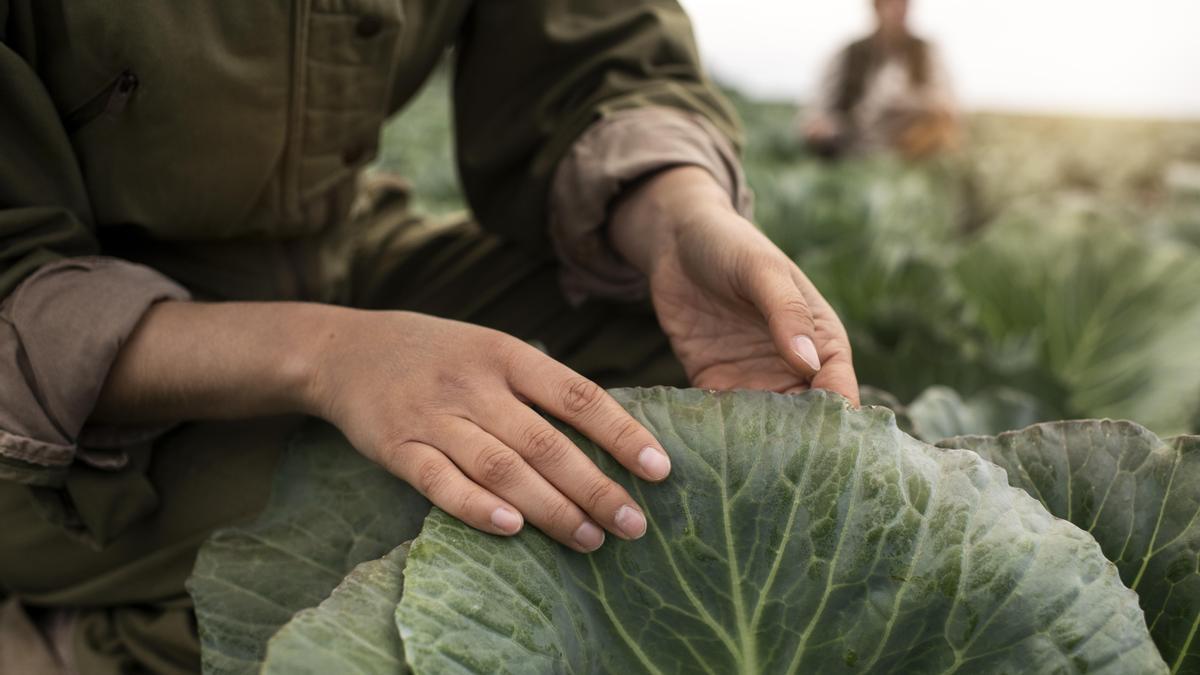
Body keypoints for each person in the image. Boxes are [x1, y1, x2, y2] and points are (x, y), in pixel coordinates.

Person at [0, 2, 858, 671]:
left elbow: (595, 52)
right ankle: (72, 646)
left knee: (684, 377)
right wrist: (329, 356)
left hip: (338, 255)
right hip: (58, 377)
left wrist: (678, 218)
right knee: (359, 546)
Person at [802, 0, 960, 159]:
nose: (900, 10)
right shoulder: (850, 53)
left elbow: (949, 104)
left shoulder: (926, 51)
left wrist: (913, 103)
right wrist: (822, 125)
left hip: (912, 150)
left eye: (904, 4)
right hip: (854, 147)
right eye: (892, 4)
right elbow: (817, 111)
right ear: (876, 7)